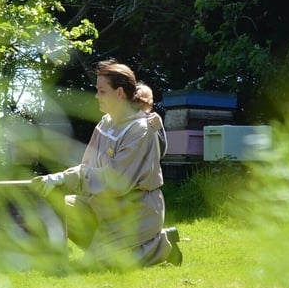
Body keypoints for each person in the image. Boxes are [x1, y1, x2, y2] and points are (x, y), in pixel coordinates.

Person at [32, 60, 183, 270]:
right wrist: (59, 180)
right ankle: (101, 249)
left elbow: (116, 181)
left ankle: (161, 246)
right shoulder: (106, 122)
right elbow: (88, 165)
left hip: (134, 211)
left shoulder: (139, 130)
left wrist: (66, 178)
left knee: (102, 266)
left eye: (102, 91)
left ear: (119, 93)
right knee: (57, 207)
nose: (96, 96)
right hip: (100, 205)